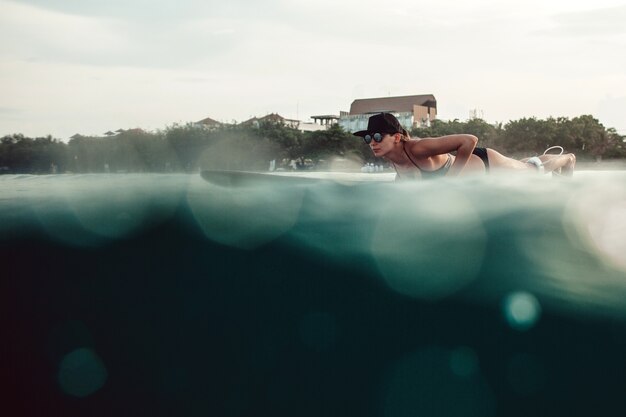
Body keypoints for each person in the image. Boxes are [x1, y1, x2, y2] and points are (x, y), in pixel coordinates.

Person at [353, 113, 576, 180]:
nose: (372, 142)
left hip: (486, 162)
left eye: (378, 136)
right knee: (525, 166)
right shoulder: (395, 161)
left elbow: (469, 140)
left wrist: (453, 181)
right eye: (368, 138)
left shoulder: (418, 148)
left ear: (397, 137)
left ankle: (567, 159)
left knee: (533, 172)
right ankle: (537, 159)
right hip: (480, 175)